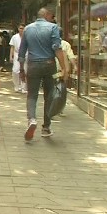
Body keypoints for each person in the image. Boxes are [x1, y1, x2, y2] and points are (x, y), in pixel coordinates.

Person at [18, 8, 69, 140]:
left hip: (33, 65)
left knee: (32, 95)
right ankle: (46, 127)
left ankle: (32, 119)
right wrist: (64, 68)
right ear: (46, 15)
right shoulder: (53, 28)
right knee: (49, 95)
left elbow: (22, 51)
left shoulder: (28, 29)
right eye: (51, 16)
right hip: (49, 65)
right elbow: (57, 49)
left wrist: (22, 70)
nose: (53, 19)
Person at [54, 27, 77, 117]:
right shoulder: (66, 44)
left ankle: (53, 107)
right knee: (62, 88)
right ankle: (60, 108)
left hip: (53, 70)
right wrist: (75, 66)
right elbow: (71, 56)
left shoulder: (50, 43)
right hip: (64, 71)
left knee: (53, 87)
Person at [10, 23, 26, 93]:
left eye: (23, 28)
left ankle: (23, 87)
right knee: (15, 70)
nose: (21, 30)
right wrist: (11, 56)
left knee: (25, 70)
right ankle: (17, 85)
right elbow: (12, 47)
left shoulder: (27, 37)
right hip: (17, 54)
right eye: (20, 28)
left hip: (26, 54)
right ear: (18, 29)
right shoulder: (14, 37)